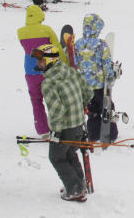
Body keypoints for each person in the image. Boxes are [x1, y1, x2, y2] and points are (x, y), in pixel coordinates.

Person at [31, 43, 91, 201]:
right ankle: (79, 185)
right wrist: (81, 105)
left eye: (41, 61)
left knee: (57, 157)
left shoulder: (49, 83)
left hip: (65, 128)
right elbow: (88, 92)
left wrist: (55, 133)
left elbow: (57, 110)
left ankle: (75, 190)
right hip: (78, 124)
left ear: (50, 60)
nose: (38, 64)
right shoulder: (71, 72)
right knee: (70, 154)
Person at [17, 5, 67, 137]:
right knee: (54, 99)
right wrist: (66, 63)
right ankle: (58, 126)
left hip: (30, 71)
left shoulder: (20, 32)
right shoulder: (46, 30)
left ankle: (42, 129)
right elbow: (57, 48)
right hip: (47, 69)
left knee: (36, 99)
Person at [73, 14, 120, 142]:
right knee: (106, 108)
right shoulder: (101, 45)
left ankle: (93, 134)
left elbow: (75, 63)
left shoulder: (77, 44)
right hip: (99, 85)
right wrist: (112, 75)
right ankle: (110, 134)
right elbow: (106, 64)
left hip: (84, 86)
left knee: (92, 110)